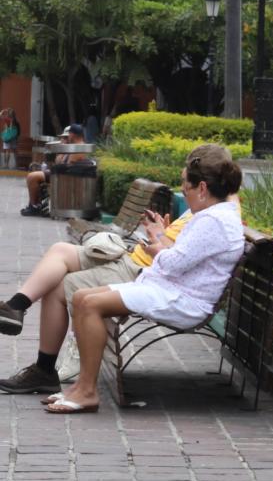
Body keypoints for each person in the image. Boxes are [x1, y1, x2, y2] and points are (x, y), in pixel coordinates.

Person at [36, 147, 241, 415]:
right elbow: (180, 257)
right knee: (81, 296)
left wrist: (156, 249)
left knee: (89, 304)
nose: (185, 193)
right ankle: (81, 386)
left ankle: (86, 391)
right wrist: (161, 239)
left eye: (186, 188)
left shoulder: (213, 221)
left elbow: (172, 263)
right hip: (168, 288)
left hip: (183, 300)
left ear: (202, 188)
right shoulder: (214, 215)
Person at [0, 210, 190, 395]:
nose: (184, 192)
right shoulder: (194, 211)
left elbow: (179, 262)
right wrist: (163, 231)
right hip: (130, 258)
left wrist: (160, 235)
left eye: (187, 190)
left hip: (142, 273)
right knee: (60, 250)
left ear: (202, 192)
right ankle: (16, 306)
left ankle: (44, 369)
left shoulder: (205, 219)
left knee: (58, 287)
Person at [21, 124, 91, 217]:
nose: (66, 138)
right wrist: (62, 149)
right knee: (32, 176)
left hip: (65, 178)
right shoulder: (73, 146)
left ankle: (34, 207)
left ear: (72, 135)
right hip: (62, 174)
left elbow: (64, 166)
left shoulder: (78, 148)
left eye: (67, 136)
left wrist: (63, 151)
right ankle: (34, 205)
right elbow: (59, 162)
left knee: (32, 177)